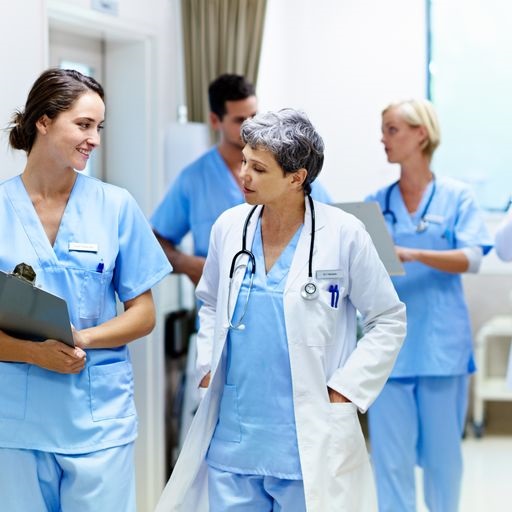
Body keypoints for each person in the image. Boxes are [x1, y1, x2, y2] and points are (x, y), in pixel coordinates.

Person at [154, 108, 406, 512]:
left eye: (258, 168)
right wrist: (206, 370)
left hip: (306, 437)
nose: (243, 175)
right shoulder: (229, 227)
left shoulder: (343, 234)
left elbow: (388, 319)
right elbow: (211, 304)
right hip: (233, 438)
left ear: (296, 177)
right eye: (243, 162)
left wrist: (346, 390)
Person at [0, 68, 171, 512]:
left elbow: (144, 312)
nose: (94, 138)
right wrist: (34, 353)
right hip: (15, 427)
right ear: (43, 121)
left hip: (98, 422)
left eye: (99, 127)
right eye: (83, 124)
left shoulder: (115, 206)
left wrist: (82, 339)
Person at [366, 99, 493, 512]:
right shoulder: (374, 204)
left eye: (391, 129)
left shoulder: (457, 197)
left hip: (441, 349)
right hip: (389, 351)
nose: (382, 139)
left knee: (443, 464)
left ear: (420, 134)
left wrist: (414, 254)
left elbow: (473, 258)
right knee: (390, 464)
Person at [151, 73, 331, 286]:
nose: (249, 126)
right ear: (215, 121)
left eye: (254, 115)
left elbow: (331, 233)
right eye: (239, 120)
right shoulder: (194, 179)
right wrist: (193, 266)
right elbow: (155, 241)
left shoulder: (289, 172)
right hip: (219, 310)